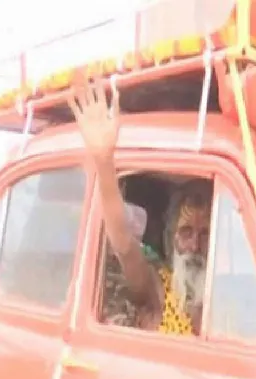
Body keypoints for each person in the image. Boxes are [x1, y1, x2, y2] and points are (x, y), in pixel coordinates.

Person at [67, 82, 212, 336]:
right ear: (171, 237)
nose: (194, 246)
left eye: (205, 234)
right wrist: (104, 161)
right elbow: (123, 244)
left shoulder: (227, 299)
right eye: (186, 232)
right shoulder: (158, 288)